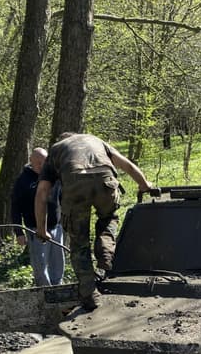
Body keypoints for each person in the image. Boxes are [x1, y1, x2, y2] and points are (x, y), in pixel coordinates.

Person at [35, 132, 152, 310]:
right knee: (108, 217)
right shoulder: (95, 140)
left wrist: (41, 228)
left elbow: (42, 192)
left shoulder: (57, 150)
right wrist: (144, 184)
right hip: (105, 179)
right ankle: (105, 253)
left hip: (75, 184)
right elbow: (126, 165)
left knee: (79, 242)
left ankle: (90, 295)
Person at [11, 147, 65, 286]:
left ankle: (58, 289)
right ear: (31, 161)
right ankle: (45, 292)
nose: (41, 165)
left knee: (58, 262)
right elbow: (15, 208)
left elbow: (62, 198)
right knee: (40, 265)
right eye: (38, 162)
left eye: (44, 162)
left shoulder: (54, 176)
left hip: (57, 227)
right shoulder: (23, 181)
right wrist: (19, 233)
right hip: (35, 229)